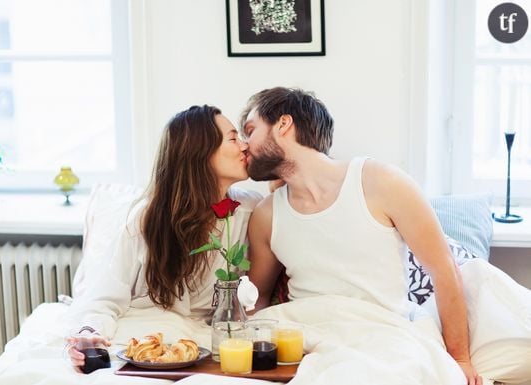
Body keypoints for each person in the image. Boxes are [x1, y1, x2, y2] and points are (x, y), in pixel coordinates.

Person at [242, 87, 486, 384]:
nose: (244, 145)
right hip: (302, 331)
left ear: (283, 125)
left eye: (250, 130)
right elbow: (255, 300)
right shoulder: (266, 215)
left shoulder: (381, 182)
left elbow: (444, 270)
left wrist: (459, 359)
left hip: (378, 334)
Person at [66, 105, 262, 371]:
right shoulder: (145, 219)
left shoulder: (250, 211)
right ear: (200, 153)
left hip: (210, 344)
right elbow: (104, 297)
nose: (244, 146)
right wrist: (89, 334)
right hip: (146, 334)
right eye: (233, 138)